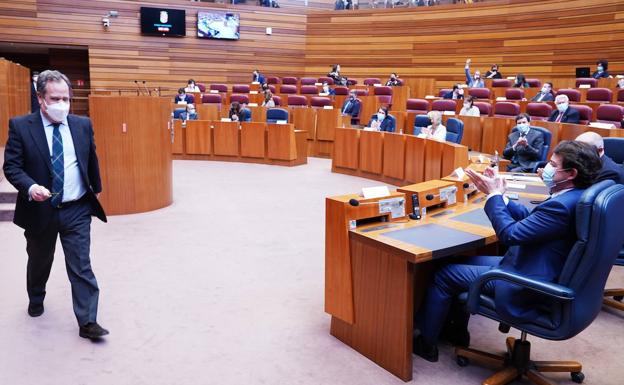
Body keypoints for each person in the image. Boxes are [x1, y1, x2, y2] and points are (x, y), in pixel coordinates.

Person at [413, 140, 602, 362]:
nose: (546, 168)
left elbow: (510, 235)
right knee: (455, 261)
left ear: (571, 173)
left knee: (444, 275)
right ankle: (456, 333)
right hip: (535, 266)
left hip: (523, 281)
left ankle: (426, 344)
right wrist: (499, 195)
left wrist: (493, 197)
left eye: (552, 164)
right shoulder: (576, 196)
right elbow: (533, 221)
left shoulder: (561, 206)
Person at [2, 70, 109, 340]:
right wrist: (30, 186)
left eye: (66, 98)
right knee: (40, 260)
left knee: (81, 265)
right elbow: (12, 166)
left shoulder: (82, 125)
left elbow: (89, 158)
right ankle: (36, 296)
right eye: (55, 98)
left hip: (76, 209)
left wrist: (95, 189)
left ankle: (88, 321)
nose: (62, 104)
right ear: (41, 98)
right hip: (41, 209)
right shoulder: (21, 126)